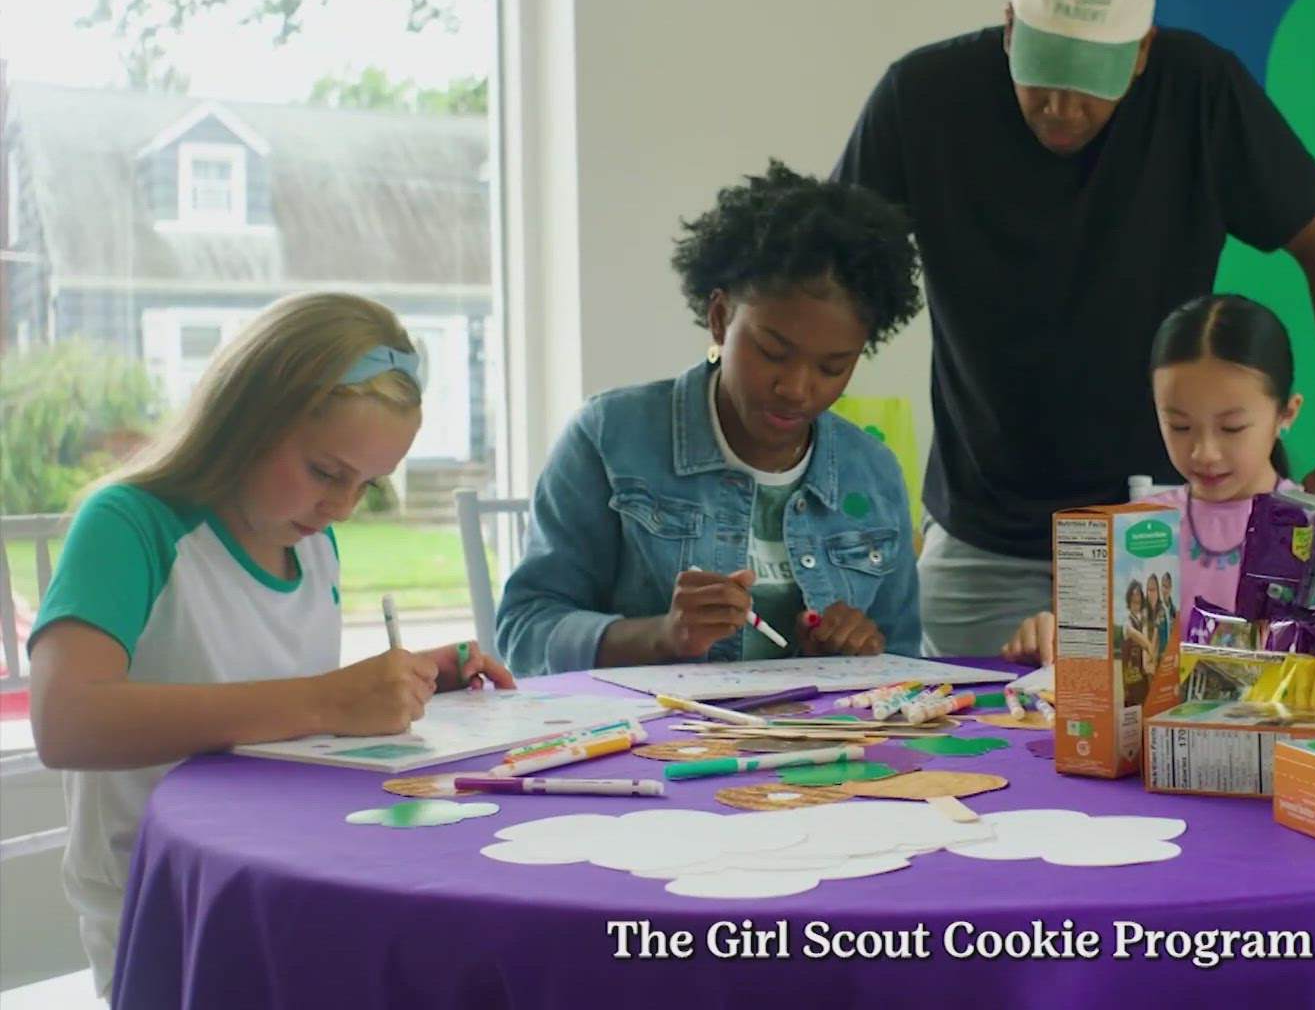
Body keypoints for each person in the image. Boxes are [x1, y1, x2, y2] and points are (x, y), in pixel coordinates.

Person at [833, 0, 1315, 657]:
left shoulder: (1199, 89)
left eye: (1088, 84)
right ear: (1010, 27)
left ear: (1142, 52)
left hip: (1176, 528)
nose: (1060, 107)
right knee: (973, 741)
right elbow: (832, 270)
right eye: (1041, 75)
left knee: (1202, 738)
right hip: (986, 530)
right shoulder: (922, 98)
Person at [26, 292, 513, 997]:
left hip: (288, 873)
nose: (342, 506)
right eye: (325, 472)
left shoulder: (313, 548)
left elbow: (266, 699)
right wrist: (325, 699)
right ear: (246, 420)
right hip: (174, 906)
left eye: (367, 486)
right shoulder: (131, 524)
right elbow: (66, 723)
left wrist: (398, 684)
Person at [496, 161, 926, 674]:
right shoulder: (611, 436)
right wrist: (661, 636)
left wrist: (856, 654)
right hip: (653, 746)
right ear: (720, 319)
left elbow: (905, 664)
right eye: (771, 351)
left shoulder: (871, 470)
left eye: (833, 367)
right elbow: (523, 631)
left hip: (819, 743)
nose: (796, 388)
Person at [1002, 294, 1305, 664]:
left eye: (1232, 427)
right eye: (1180, 426)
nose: (1204, 452)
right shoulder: (1135, 529)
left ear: (1286, 413)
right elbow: (1098, 657)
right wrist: (1051, 637)